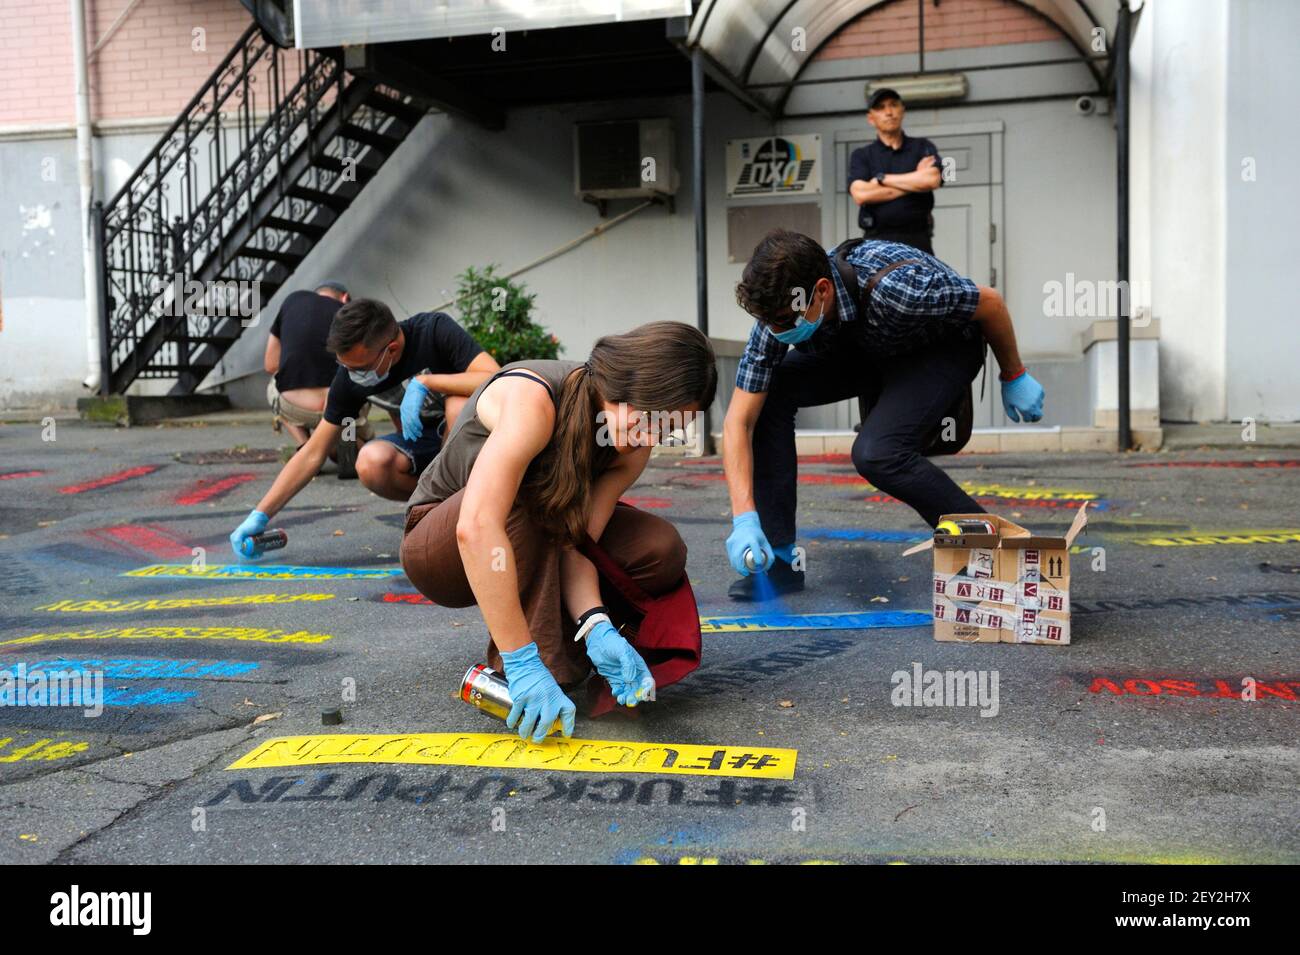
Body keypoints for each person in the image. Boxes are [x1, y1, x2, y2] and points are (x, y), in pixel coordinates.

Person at [400, 322, 717, 743]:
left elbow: (577, 544)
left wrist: (596, 624)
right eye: (649, 419)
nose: (650, 437)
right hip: (441, 547)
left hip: (525, 534)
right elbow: (476, 527)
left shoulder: (630, 447)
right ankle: (527, 663)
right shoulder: (535, 402)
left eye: (665, 429)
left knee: (657, 548)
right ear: (628, 383)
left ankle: (571, 647)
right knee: (538, 489)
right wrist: (521, 660)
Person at [721, 228, 1045, 599]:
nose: (776, 332)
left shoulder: (900, 288)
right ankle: (779, 560)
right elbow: (739, 420)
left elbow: (990, 303)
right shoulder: (778, 317)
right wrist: (744, 517)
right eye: (769, 323)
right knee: (769, 395)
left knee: (878, 453)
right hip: (869, 350)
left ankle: (992, 553)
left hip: (939, 349)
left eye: (784, 320)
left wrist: (1014, 374)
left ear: (822, 291)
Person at [230, 298, 499, 557]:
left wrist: (428, 383)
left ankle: (468, 508)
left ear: (391, 349)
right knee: (370, 462)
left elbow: (494, 376)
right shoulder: (349, 378)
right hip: (427, 447)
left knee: (456, 404)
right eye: (344, 365)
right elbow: (313, 452)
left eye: (360, 367)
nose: (352, 374)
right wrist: (260, 514)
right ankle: (439, 511)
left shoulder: (433, 331)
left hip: (472, 445)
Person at [264, 281, 374, 474]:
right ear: (345, 298)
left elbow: (270, 364)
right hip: (343, 406)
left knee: (275, 383)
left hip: (298, 406)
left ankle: (306, 448)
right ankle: (348, 437)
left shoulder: (293, 300)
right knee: (358, 382)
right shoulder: (352, 313)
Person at [847, 88, 944, 254]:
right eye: (881, 107)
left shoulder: (922, 147)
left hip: (918, 240)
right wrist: (914, 182)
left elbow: (931, 180)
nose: (889, 112)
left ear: (902, 110)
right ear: (871, 118)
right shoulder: (862, 155)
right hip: (876, 242)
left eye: (893, 105)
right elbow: (861, 194)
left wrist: (881, 179)